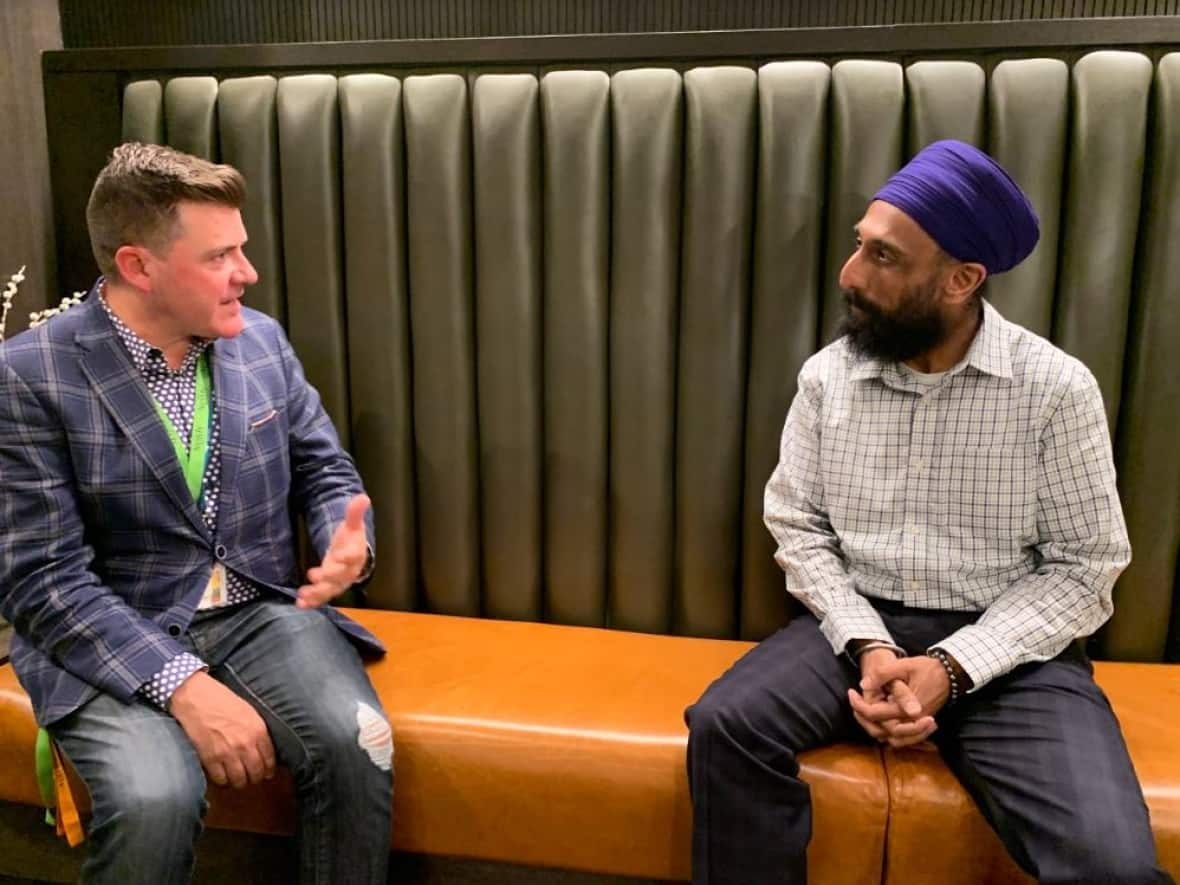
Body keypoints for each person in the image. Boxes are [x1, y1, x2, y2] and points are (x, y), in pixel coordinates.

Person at [685, 139, 1173, 884]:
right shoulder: (828, 378)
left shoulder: (1054, 391)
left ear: (962, 279)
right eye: (860, 245)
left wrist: (953, 665)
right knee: (727, 726)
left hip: (1014, 657)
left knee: (1114, 863)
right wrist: (870, 646)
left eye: (884, 258)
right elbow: (799, 526)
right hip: (854, 629)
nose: (850, 275)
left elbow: (1083, 570)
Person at [0, 143, 393, 885]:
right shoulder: (29, 376)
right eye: (220, 256)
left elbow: (324, 466)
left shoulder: (261, 341)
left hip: (257, 609)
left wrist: (349, 535)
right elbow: (40, 580)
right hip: (115, 624)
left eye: (241, 249)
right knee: (157, 796)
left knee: (358, 738)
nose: (247, 273)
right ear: (139, 267)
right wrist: (183, 682)